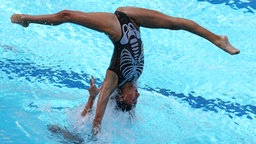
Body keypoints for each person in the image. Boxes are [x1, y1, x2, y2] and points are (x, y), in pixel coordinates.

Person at [11, 6, 240, 135]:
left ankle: (28, 19)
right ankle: (218, 39)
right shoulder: (135, 78)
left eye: (133, 100)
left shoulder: (113, 79)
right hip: (133, 19)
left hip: (118, 27)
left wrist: (95, 126)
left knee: (66, 16)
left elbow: (98, 116)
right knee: (174, 23)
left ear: (120, 95)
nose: (138, 95)